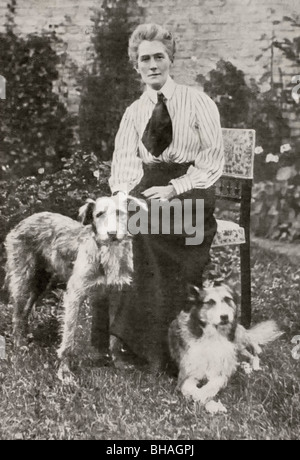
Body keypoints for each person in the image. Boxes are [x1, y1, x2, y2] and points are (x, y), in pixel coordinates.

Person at [91, 23, 224, 371]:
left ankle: (150, 350)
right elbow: (123, 164)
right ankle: (115, 343)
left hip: (191, 196)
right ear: (136, 65)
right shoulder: (134, 112)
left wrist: (174, 189)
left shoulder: (198, 102)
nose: (152, 65)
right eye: (144, 58)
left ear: (170, 60)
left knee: (146, 234)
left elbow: (211, 160)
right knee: (116, 233)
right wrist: (123, 198)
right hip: (147, 192)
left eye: (159, 57)